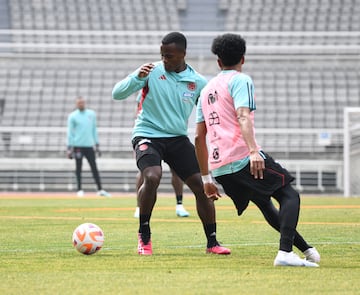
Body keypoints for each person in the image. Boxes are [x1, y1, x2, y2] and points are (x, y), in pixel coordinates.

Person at [194, 33, 320, 267]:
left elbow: (198, 137)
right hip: (241, 156)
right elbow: (243, 115)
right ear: (243, 58)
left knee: (264, 202)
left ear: (218, 61)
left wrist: (206, 178)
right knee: (289, 194)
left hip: (220, 168)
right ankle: (284, 253)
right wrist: (253, 151)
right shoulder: (241, 80)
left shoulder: (205, 90)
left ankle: (306, 249)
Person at [112, 31, 230, 256]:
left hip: (176, 138)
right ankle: (144, 235)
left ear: (183, 55)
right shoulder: (150, 72)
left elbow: (209, 114)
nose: (165, 60)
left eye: (170, 56)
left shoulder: (197, 82)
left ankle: (212, 242)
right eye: (162, 55)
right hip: (147, 134)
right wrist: (137, 77)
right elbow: (117, 94)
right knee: (152, 176)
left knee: (200, 185)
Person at [66, 96, 111, 198]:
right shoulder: (72, 116)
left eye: (82, 102)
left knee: (94, 168)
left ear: (84, 103)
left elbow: (94, 130)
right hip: (77, 146)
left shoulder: (91, 114)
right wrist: (69, 148)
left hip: (89, 145)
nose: (81, 104)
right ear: (76, 104)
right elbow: (70, 133)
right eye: (79, 103)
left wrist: (97, 144)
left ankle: (100, 189)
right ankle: (79, 190)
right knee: (78, 168)